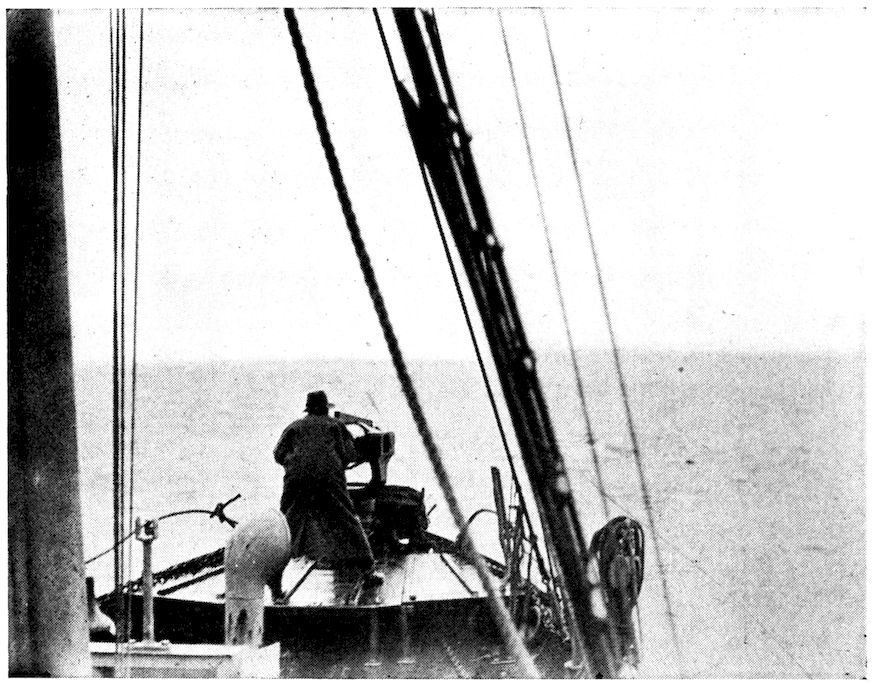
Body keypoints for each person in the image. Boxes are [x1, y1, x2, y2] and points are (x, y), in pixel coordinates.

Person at [271, 390, 381, 600]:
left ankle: (275, 584)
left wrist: (297, 464)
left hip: (296, 482)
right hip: (328, 481)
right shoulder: (336, 426)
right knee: (348, 521)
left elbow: (278, 454)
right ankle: (368, 572)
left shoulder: (293, 427)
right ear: (325, 408)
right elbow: (350, 454)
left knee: (285, 529)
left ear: (308, 409)